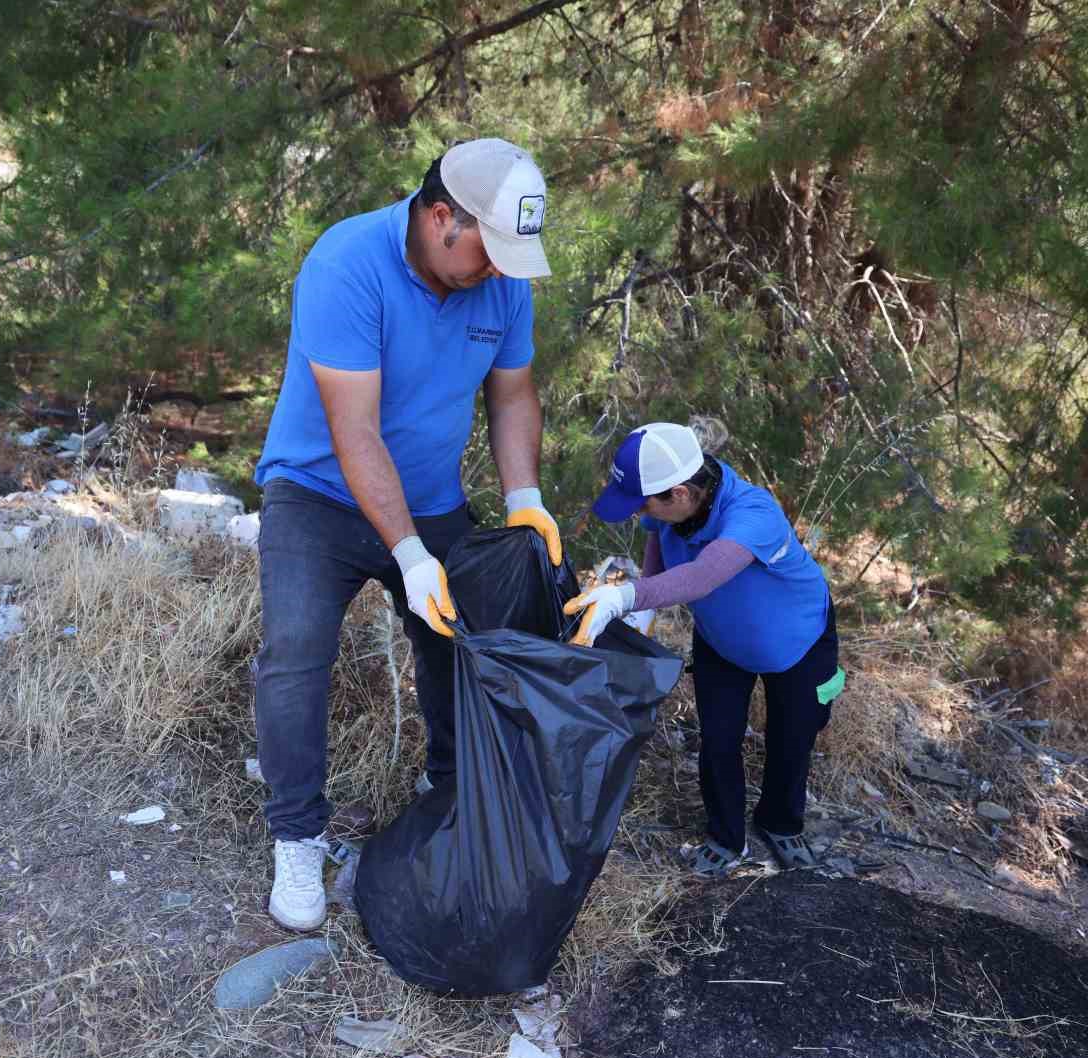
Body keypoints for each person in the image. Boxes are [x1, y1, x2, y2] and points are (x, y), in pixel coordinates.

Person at [252, 138, 565, 931]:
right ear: (438, 217)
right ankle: (296, 836)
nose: (497, 269)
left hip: (429, 496)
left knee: (456, 649)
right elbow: (354, 432)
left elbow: (513, 393)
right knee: (295, 655)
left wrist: (524, 495)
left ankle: (451, 797)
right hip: (316, 494)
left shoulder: (501, 283)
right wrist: (410, 554)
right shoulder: (347, 264)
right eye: (487, 250)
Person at [564, 423, 844, 876]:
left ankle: (781, 823)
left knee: (794, 736)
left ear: (678, 493)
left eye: (642, 505)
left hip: (798, 640)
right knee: (718, 739)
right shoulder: (674, 501)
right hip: (721, 639)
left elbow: (702, 576)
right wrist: (643, 613)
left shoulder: (754, 513)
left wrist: (624, 597)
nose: (639, 515)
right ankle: (725, 837)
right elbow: (657, 533)